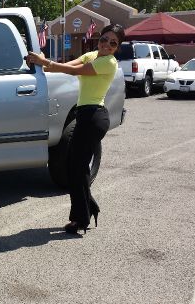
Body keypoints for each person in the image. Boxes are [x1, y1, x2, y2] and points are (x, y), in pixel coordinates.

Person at [26, 23, 125, 235]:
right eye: (104, 39)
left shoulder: (109, 63)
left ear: (117, 48)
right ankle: (88, 209)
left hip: (94, 118)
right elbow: (64, 68)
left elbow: (74, 71)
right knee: (74, 168)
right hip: (84, 116)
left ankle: (81, 218)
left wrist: (46, 62)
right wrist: (39, 63)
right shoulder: (92, 55)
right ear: (98, 39)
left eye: (113, 43)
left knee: (76, 169)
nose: (107, 45)